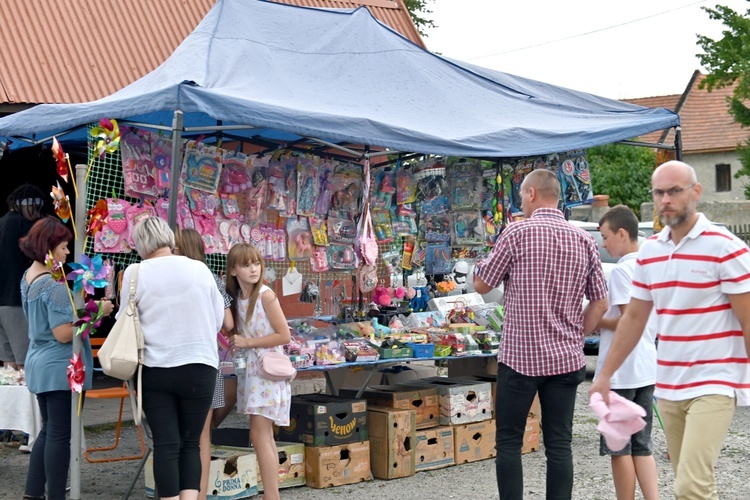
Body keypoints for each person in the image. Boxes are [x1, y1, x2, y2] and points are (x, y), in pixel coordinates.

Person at [590, 160, 750, 499]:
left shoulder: (726, 248)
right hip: (669, 384)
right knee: (689, 479)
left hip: (715, 381)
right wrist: (604, 376)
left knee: (691, 485)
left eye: (674, 191)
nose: (665, 199)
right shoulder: (651, 253)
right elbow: (633, 319)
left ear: (695, 192)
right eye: (659, 192)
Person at [472, 168, 608, 500]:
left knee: (508, 441)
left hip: (520, 358)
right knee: (559, 443)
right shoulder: (584, 240)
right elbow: (600, 303)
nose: (522, 201)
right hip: (565, 358)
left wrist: (479, 264)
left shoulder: (516, 233)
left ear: (532, 194)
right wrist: (577, 333)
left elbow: (482, 284)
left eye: (522, 195)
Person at [121, 217, 223, 500]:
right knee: (191, 443)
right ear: (169, 237)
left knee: (166, 443)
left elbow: (125, 322)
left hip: (157, 368)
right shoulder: (200, 269)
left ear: (140, 244)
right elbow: (217, 321)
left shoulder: (135, 272)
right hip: (201, 366)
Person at [19, 216, 114, 500]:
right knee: (60, 435)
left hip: (39, 361)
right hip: (61, 364)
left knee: (48, 432)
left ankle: (33, 493)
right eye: (62, 247)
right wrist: (97, 313)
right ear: (47, 248)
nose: (67, 253)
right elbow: (63, 333)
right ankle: (56, 495)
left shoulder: (28, 277)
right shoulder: (53, 285)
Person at [595, 205, 658, 500]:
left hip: (621, 373)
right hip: (646, 366)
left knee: (619, 448)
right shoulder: (651, 265)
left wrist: (596, 321)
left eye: (606, 237)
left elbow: (625, 319)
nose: (604, 244)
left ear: (622, 233)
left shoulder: (622, 270)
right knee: (642, 446)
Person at [225, 243, 291, 500]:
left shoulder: (265, 295)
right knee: (264, 436)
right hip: (251, 373)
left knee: (259, 433)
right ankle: (272, 495)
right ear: (233, 270)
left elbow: (283, 334)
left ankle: (271, 496)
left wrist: (247, 342)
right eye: (245, 264)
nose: (253, 269)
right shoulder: (238, 300)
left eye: (255, 263)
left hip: (266, 372)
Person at [173, 227, 234, 500]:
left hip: (171, 362)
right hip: (208, 364)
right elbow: (229, 323)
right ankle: (200, 495)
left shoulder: (168, 277)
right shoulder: (213, 279)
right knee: (202, 438)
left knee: (174, 436)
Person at [0, 184, 45, 370]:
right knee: (25, 360)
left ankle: (9, 400)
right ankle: (29, 399)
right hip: (16, 299)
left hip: (3, 300)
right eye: (34, 206)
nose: (36, 212)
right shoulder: (23, 224)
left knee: (8, 364)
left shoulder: (1, 221)